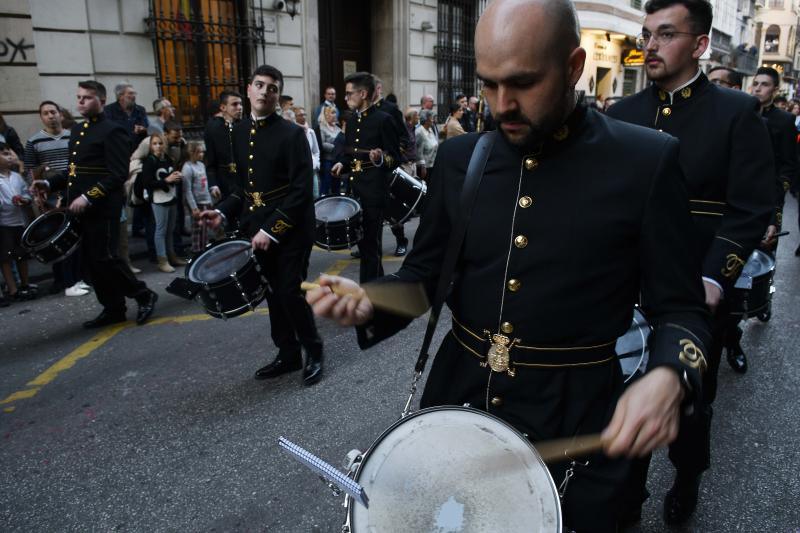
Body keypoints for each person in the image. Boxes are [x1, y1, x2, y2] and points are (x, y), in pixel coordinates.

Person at [307, 1, 711, 530]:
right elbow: (424, 281)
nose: (502, 105)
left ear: (573, 67)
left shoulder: (645, 161)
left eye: (522, 83)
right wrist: (370, 301)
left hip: (578, 418)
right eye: (489, 84)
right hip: (458, 406)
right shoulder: (460, 160)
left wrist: (669, 375)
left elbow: (682, 308)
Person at [606, 0, 774, 525]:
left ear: (700, 45)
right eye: (647, 34)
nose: (650, 45)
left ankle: (686, 475)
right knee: (625, 384)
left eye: (666, 34)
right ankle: (626, 489)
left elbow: (750, 208)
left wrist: (712, 277)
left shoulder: (735, 113)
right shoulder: (621, 116)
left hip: (696, 285)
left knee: (690, 397)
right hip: (627, 287)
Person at [199, 64, 324, 386]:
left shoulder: (293, 134)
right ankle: (288, 353)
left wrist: (272, 230)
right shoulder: (237, 133)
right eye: (259, 85)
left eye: (272, 87)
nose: (265, 91)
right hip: (255, 226)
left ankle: (314, 351)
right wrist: (223, 212)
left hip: (291, 227)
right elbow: (240, 188)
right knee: (271, 292)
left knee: (289, 289)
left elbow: (300, 192)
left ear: (277, 95)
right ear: (249, 89)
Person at [30, 80, 158, 328]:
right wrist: (49, 184)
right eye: (78, 97)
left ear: (100, 100)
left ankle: (143, 294)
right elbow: (74, 171)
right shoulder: (78, 131)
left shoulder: (114, 130)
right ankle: (113, 308)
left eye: (86, 98)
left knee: (107, 257)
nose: (80, 102)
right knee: (91, 261)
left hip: (102, 207)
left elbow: (118, 174)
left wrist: (88, 196)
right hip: (78, 208)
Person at [331, 72, 401, 283]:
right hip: (356, 191)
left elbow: (395, 158)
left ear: (363, 94)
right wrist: (342, 163)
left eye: (349, 93)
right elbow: (349, 152)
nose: (346, 98)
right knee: (363, 245)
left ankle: (369, 294)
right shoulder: (351, 121)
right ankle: (374, 292)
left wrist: (380, 158)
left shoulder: (384, 120)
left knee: (371, 246)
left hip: (375, 192)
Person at [23, 101, 88, 296]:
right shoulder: (34, 141)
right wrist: (38, 193)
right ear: (41, 117)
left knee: (76, 236)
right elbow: (30, 170)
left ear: (60, 114)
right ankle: (62, 280)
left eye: (53, 112)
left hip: (73, 192)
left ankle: (79, 277)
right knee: (54, 238)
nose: (50, 116)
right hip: (50, 196)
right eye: (46, 113)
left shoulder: (73, 136)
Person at [141, 133, 184, 273]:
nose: (158, 146)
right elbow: (147, 183)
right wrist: (167, 180)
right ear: (150, 146)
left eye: (160, 143)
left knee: (170, 229)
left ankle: (171, 256)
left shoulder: (168, 158)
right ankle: (162, 260)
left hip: (171, 196)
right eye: (155, 143)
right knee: (160, 230)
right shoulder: (149, 161)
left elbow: (171, 174)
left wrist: (177, 177)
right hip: (158, 200)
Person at [0, 138, 34, 303]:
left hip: (20, 221)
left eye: (9, 154)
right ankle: (12, 289)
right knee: (6, 257)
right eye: (4, 154)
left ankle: (25, 284)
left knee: (22, 254)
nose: (9, 157)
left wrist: (25, 199)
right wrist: (9, 201)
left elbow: (27, 192)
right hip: (4, 223)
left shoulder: (16, 177)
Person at [204, 90, 242, 202]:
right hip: (225, 183)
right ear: (223, 108)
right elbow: (210, 161)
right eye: (235, 104)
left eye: (240, 104)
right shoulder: (214, 127)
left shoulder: (244, 125)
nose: (239, 107)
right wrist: (213, 184)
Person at [182, 140, 213, 253]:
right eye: (199, 152)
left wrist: (210, 198)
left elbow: (205, 184)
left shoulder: (201, 165)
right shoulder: (187, 168)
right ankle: (196, 250)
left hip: (206, 201)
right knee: (197, 228)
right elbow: (187, 190)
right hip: (197, 203)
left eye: (202, 152)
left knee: (205, 227)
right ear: (192, 153)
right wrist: (193, 207)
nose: (202, 154)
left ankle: (205, 248)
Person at [104, 83, 149, 151]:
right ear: (120, 96)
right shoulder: (108, 110)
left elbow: (148, 128)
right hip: (119, 150)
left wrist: (143, 129)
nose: (133, 96)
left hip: (138, 151)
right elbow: (106, 132)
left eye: (134, 93)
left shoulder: (140, 109)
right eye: (130, 93)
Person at [293, 107, 321, 197]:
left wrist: (316, 163)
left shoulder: (310, 131)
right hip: (299, 170)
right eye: (300, 115)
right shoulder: (292, 131)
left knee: (316, 195)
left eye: (304, 114)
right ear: (295, 117)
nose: (303, 117)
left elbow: (316, 151)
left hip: (312, 169)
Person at [318, 106, 343, 195]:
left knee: (336, 186)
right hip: (327, 161)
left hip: (337, 161)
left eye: (335, 112)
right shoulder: (322, 127)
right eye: (332, 112)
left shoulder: (338, 128)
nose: (334, 115)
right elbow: (322, 143)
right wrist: (336, 148)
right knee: (325, 184)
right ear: (326, 114)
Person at [415, 109, 439, 179]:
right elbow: (418, 152)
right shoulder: (419, 132)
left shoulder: (430, 129)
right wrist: (423, 167)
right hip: (424, 168)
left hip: (432, 165)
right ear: (426, 120)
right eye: (431, 118)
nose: (433, 120)